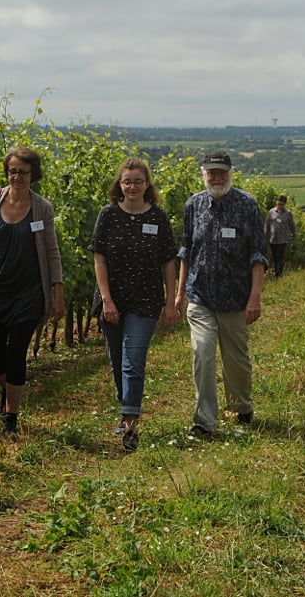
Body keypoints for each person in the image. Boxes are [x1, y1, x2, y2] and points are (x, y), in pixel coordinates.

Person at [0, 146, 65, 439]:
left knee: (16, 353)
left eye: (23, 172)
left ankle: (11, 419)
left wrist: (57, 293)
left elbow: (52, 252)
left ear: (33, 174)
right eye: (13, 171)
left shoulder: (42, 208)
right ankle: (10, 392)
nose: (17, 177)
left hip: (29, 293)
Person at [176, 150, 267, 436]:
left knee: (235, 359)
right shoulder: (193, 205)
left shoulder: (247, 205)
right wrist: (179, 293)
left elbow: (258, 255)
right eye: (211, 172)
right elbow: (186, 251)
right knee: (202, 354)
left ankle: (241, 406)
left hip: (236, 298)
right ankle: (204, 421)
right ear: (204, 174)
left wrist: (255, 297)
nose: (216, 177)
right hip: (200, 296)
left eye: (221, 172)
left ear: (230, 173)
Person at [90, 159, 177, 452]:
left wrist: (170, 301)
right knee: (117, 360)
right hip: (111, 300)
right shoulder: (108, 215)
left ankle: (131, 424)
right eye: (127, 181)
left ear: (147, 184)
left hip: (146, 299)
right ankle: (124, 404)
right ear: (120, 184)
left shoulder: (158, 217)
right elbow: (99, 258)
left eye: (138, 181)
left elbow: (168, 261)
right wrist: (107, 300)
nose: (132, 187)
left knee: (133, 360)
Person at [264, 194, 296, 278]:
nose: (280, 206)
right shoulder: (271, 212)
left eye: (281, 204)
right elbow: (267, 225)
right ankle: (276, 272)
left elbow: (292, 226)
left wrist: (293, 237)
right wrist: (264, 237)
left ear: (285, 204)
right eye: (278, 204)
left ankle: (279, 274)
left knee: (279, 256)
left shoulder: (288, 213)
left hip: (282, 239)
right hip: (272, 238)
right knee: (274, 256)